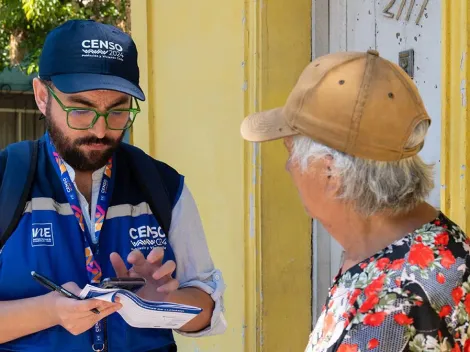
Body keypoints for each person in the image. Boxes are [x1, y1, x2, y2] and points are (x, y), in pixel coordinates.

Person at [0, 19, 226, 351]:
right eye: (80, 110)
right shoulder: (7, 180)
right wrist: (48, 312)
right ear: (41, 96)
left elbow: (209, 311)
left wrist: (161, 303)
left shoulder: (162, 186)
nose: (101, 130)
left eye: (118, 112)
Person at [240, 50, 470, 351]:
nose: (288, 167)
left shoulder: (386, 311)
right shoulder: (434, 239)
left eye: (289, 151)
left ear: (329, 173)